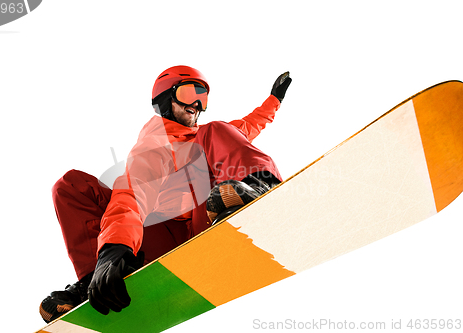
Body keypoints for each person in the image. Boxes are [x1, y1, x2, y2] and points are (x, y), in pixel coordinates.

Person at [39, 65, 292, 323]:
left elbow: (249, 125)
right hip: (152, 239)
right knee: (71, 185)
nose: (196, 104)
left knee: (222, 130)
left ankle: (261, 184)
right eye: (188, 94)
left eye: (202, 97)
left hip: (208, 213)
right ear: (165, 99)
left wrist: (275, 100)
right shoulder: (156, 143)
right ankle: (98, 279)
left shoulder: (207, 135)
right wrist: (113, 249)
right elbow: (132, 195)